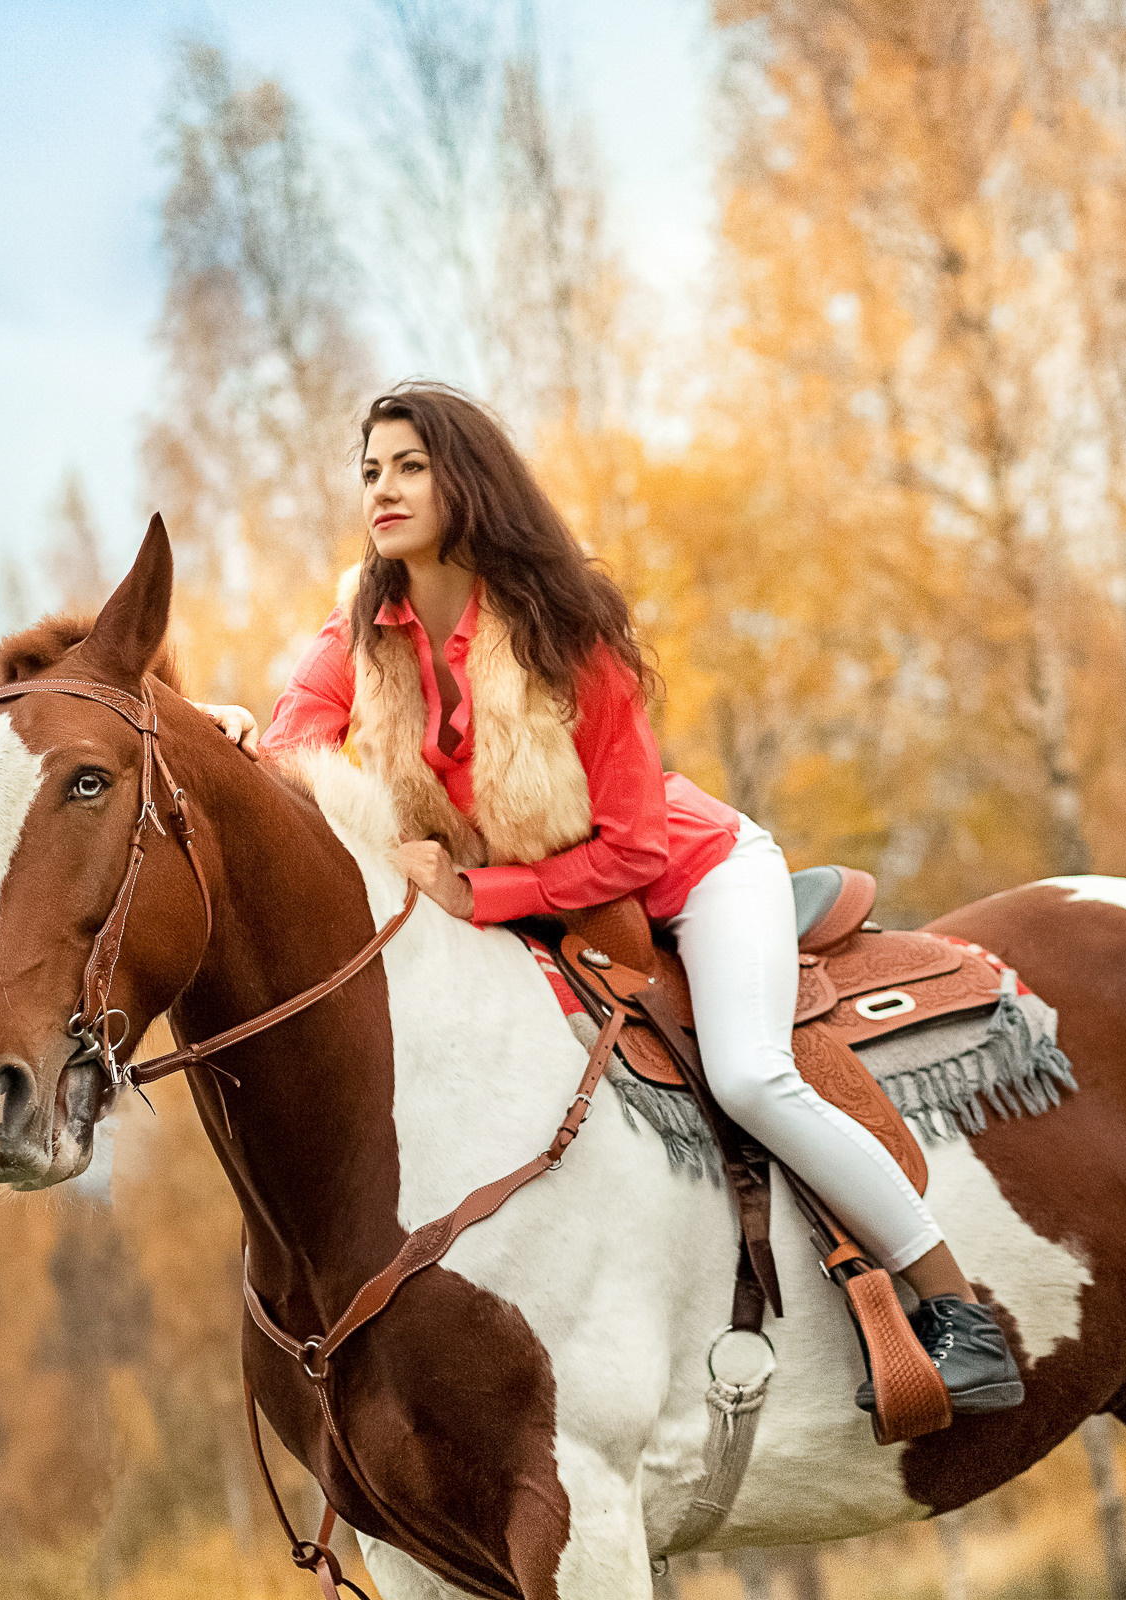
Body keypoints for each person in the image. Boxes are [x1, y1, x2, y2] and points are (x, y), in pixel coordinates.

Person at [191, 383, 1022, 1416]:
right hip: (531, 910)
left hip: (692, 877)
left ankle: (956, 1307)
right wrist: (222, 736)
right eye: (370, 470)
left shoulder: (564, 626)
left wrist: (474, 887)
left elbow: (628, 851)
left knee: (753, 1075)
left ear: (467, 479)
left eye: (409, 465)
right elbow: (295, 745)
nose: (383, 489)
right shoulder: (363, 625)